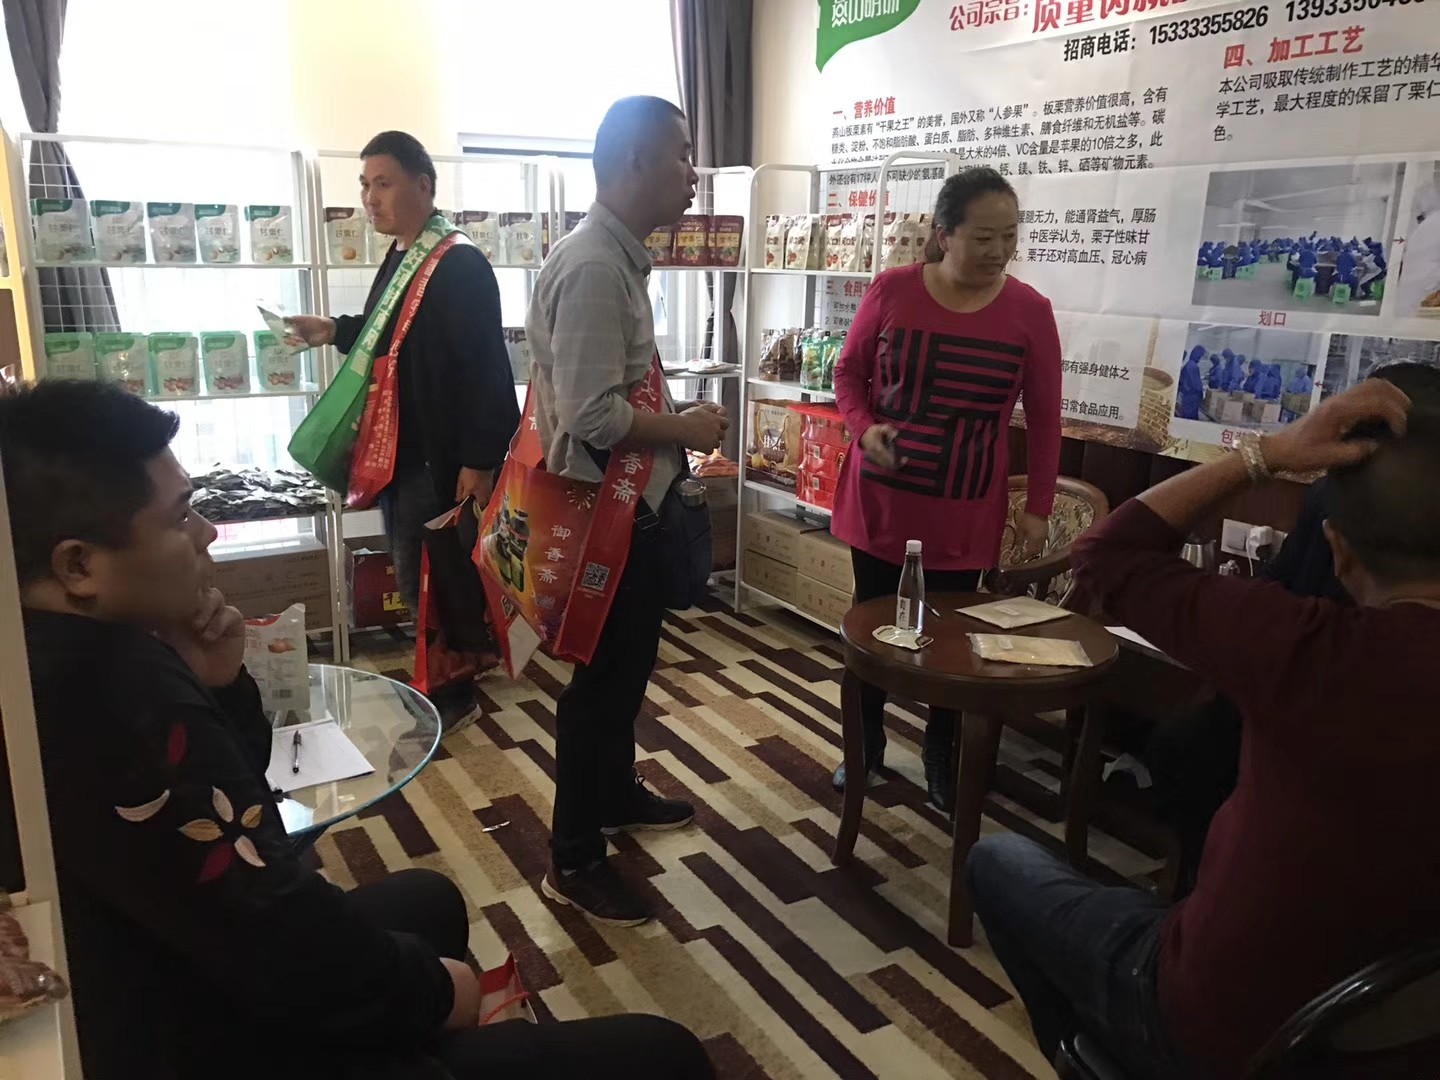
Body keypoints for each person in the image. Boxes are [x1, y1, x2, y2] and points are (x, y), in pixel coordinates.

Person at [0, 380, 715, 1080]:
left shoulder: (58, 654)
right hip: (199, 1030)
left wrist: (220, 688)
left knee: (428, 899)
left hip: (176, 974)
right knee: (663, 1053)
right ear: (78, 564)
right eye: (180, 515)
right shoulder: (118, 693)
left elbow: (240, 828)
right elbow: (272, 920)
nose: (207, 533)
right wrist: (437, 994)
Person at [966, 378, 1440, 1079]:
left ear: (1336, 552)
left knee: (998, 862)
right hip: (1398, 1043)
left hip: (1222, 1027)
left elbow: (1106, 553)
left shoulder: (1305, 649)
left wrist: (1267, 454)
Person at [526, 97, 727, 926]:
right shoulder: (593, 267)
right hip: (602, 515)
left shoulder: (618, 259)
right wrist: (687, 428)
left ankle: (611, 796)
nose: (693, 174)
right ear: (637, 161)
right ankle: (574, 856)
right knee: (601, 687)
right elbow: (594, 416)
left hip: (626, 508)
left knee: (625, 673)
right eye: (682, 155)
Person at [1147, 360, 1440, 896]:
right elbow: (1283, 581)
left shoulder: (1346, 504)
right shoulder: (1332, 495)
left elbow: (1113, 555)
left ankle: (1204, 890)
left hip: (1320, 689)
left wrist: (1268, 455)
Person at [830, 166, 1061, 812]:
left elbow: (1046, 420)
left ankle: (941, 754)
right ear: (943, 234)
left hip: (966, 507)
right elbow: (847, 375)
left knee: (954, 642)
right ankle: (865, 746)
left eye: (1009, 236)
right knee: (872, 628)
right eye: (984, 236)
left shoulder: (1030, 313)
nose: (999, 250)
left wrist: (1038, 510)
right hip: (884, 497)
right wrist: (865, 428)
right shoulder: (892, 291)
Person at [286, 131, 520, 613]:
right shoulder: (401, 254)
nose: (370, 198)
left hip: (439, 464)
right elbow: (392, 338)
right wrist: (332, 329)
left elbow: (488, 371)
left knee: (445, 596)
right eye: (365, 184)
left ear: (424, 185)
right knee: (421, 589)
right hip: (398, 457)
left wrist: (479, 462)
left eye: (384, 183)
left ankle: (455, 668)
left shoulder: (458, 262)